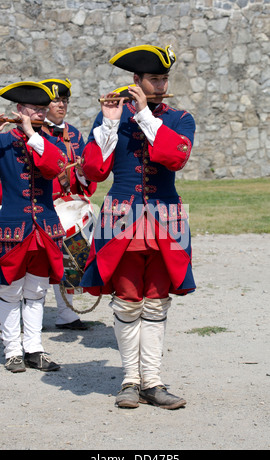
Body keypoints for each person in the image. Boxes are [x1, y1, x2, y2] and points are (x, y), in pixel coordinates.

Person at [80, 44, 196, 409]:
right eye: (153, 79)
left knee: (157, 302)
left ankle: (154, 382)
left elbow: (173, 157)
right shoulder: (109, 117)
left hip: (166, 218)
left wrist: (145, 115)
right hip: (121, 219)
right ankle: (131, 380)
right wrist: (111, 123)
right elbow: (96, 171)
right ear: (136, 80)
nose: (161, 85)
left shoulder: (180, 119)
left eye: (164, 79)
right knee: (129, 300)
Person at [0, 80, 68, 373]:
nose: (39, 113)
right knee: (10, 290)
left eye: (42, 109)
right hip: (13, 227)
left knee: (37, 290)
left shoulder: (50, 141)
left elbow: (53, 168)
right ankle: (13, 350)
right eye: (32, 109)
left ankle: (34, 348)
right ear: (18, 109)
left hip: (45, 227)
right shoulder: (2, 142)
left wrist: (31, 133)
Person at [40, 78, 97, 330]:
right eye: (56, 100)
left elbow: (86, 174)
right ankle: (30, 315)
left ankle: (66, 314)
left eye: (64, 100)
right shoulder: (35, 132)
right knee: (41, 263)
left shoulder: (73, 133)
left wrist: (84, 173)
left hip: (70, 208)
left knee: (71, 259)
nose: (61, 104)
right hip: (43, 206)